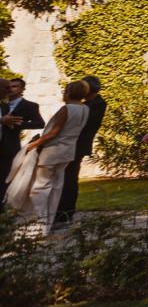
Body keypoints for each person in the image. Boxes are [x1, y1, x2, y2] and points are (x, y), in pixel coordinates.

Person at [6, 79, 90, 235]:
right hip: (68, 151)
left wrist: (34, 144)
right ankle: (47, 223)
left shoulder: (66, 109)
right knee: (56, 188)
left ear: (69, 92)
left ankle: (37, 224)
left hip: (53, 151)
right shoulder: (85, 108)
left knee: (39, 189)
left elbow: (53, 132)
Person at [54, 75, 106, 227]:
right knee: (65, 178)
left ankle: (65, 213)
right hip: (71, 144)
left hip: (77, 145)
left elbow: (83, 125)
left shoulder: (96, 104)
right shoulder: (86, 104)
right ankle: (60, 211)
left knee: (69, 179)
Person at [0, 78, 44, 199]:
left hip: (10, 145)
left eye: (14, 86)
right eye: (9, 86)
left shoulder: (30, 105)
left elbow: (40, 123)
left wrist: (18, 124)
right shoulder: (2, 104)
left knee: (6, 176)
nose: (11, 89)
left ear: (22, 89)